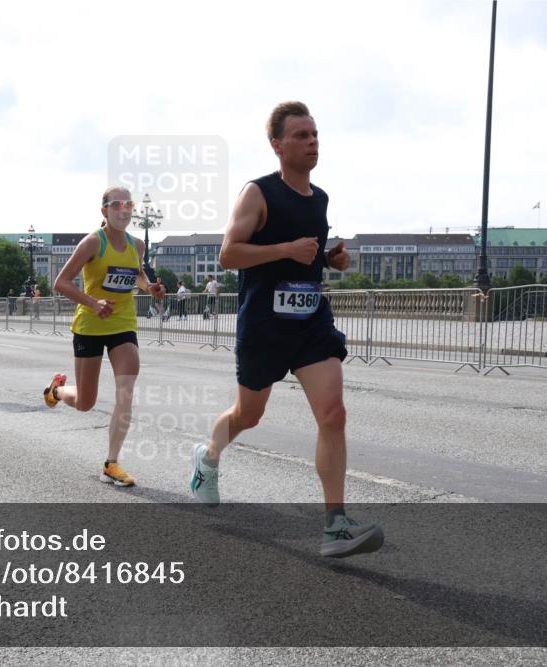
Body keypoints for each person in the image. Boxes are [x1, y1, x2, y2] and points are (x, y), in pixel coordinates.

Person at [189, 101, 383, 559]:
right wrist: (286, 249)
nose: (312, 141)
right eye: (301, 135)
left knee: (333, 414)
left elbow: (305, 256)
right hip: (264, 324)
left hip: (311, 320)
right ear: (277, 145)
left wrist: (327, 259)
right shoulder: (257, 193)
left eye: (315, 134)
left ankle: (335, 524)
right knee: (248, 415)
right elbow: (229, 255)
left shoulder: (320, 199)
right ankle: (208, 457)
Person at [43, 186, 166, 487]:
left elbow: (137, 274)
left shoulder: (137, 244)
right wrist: (93, 303)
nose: (124, 209)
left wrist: (149, 287)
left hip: (123, 323)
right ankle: (56, 391)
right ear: (105, 211)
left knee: (126, 390)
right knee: (86, 402)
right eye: (117, 204)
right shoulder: (91, 243)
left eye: (129, 204)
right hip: (91, 326)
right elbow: (61, 282)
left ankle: (111, 463)